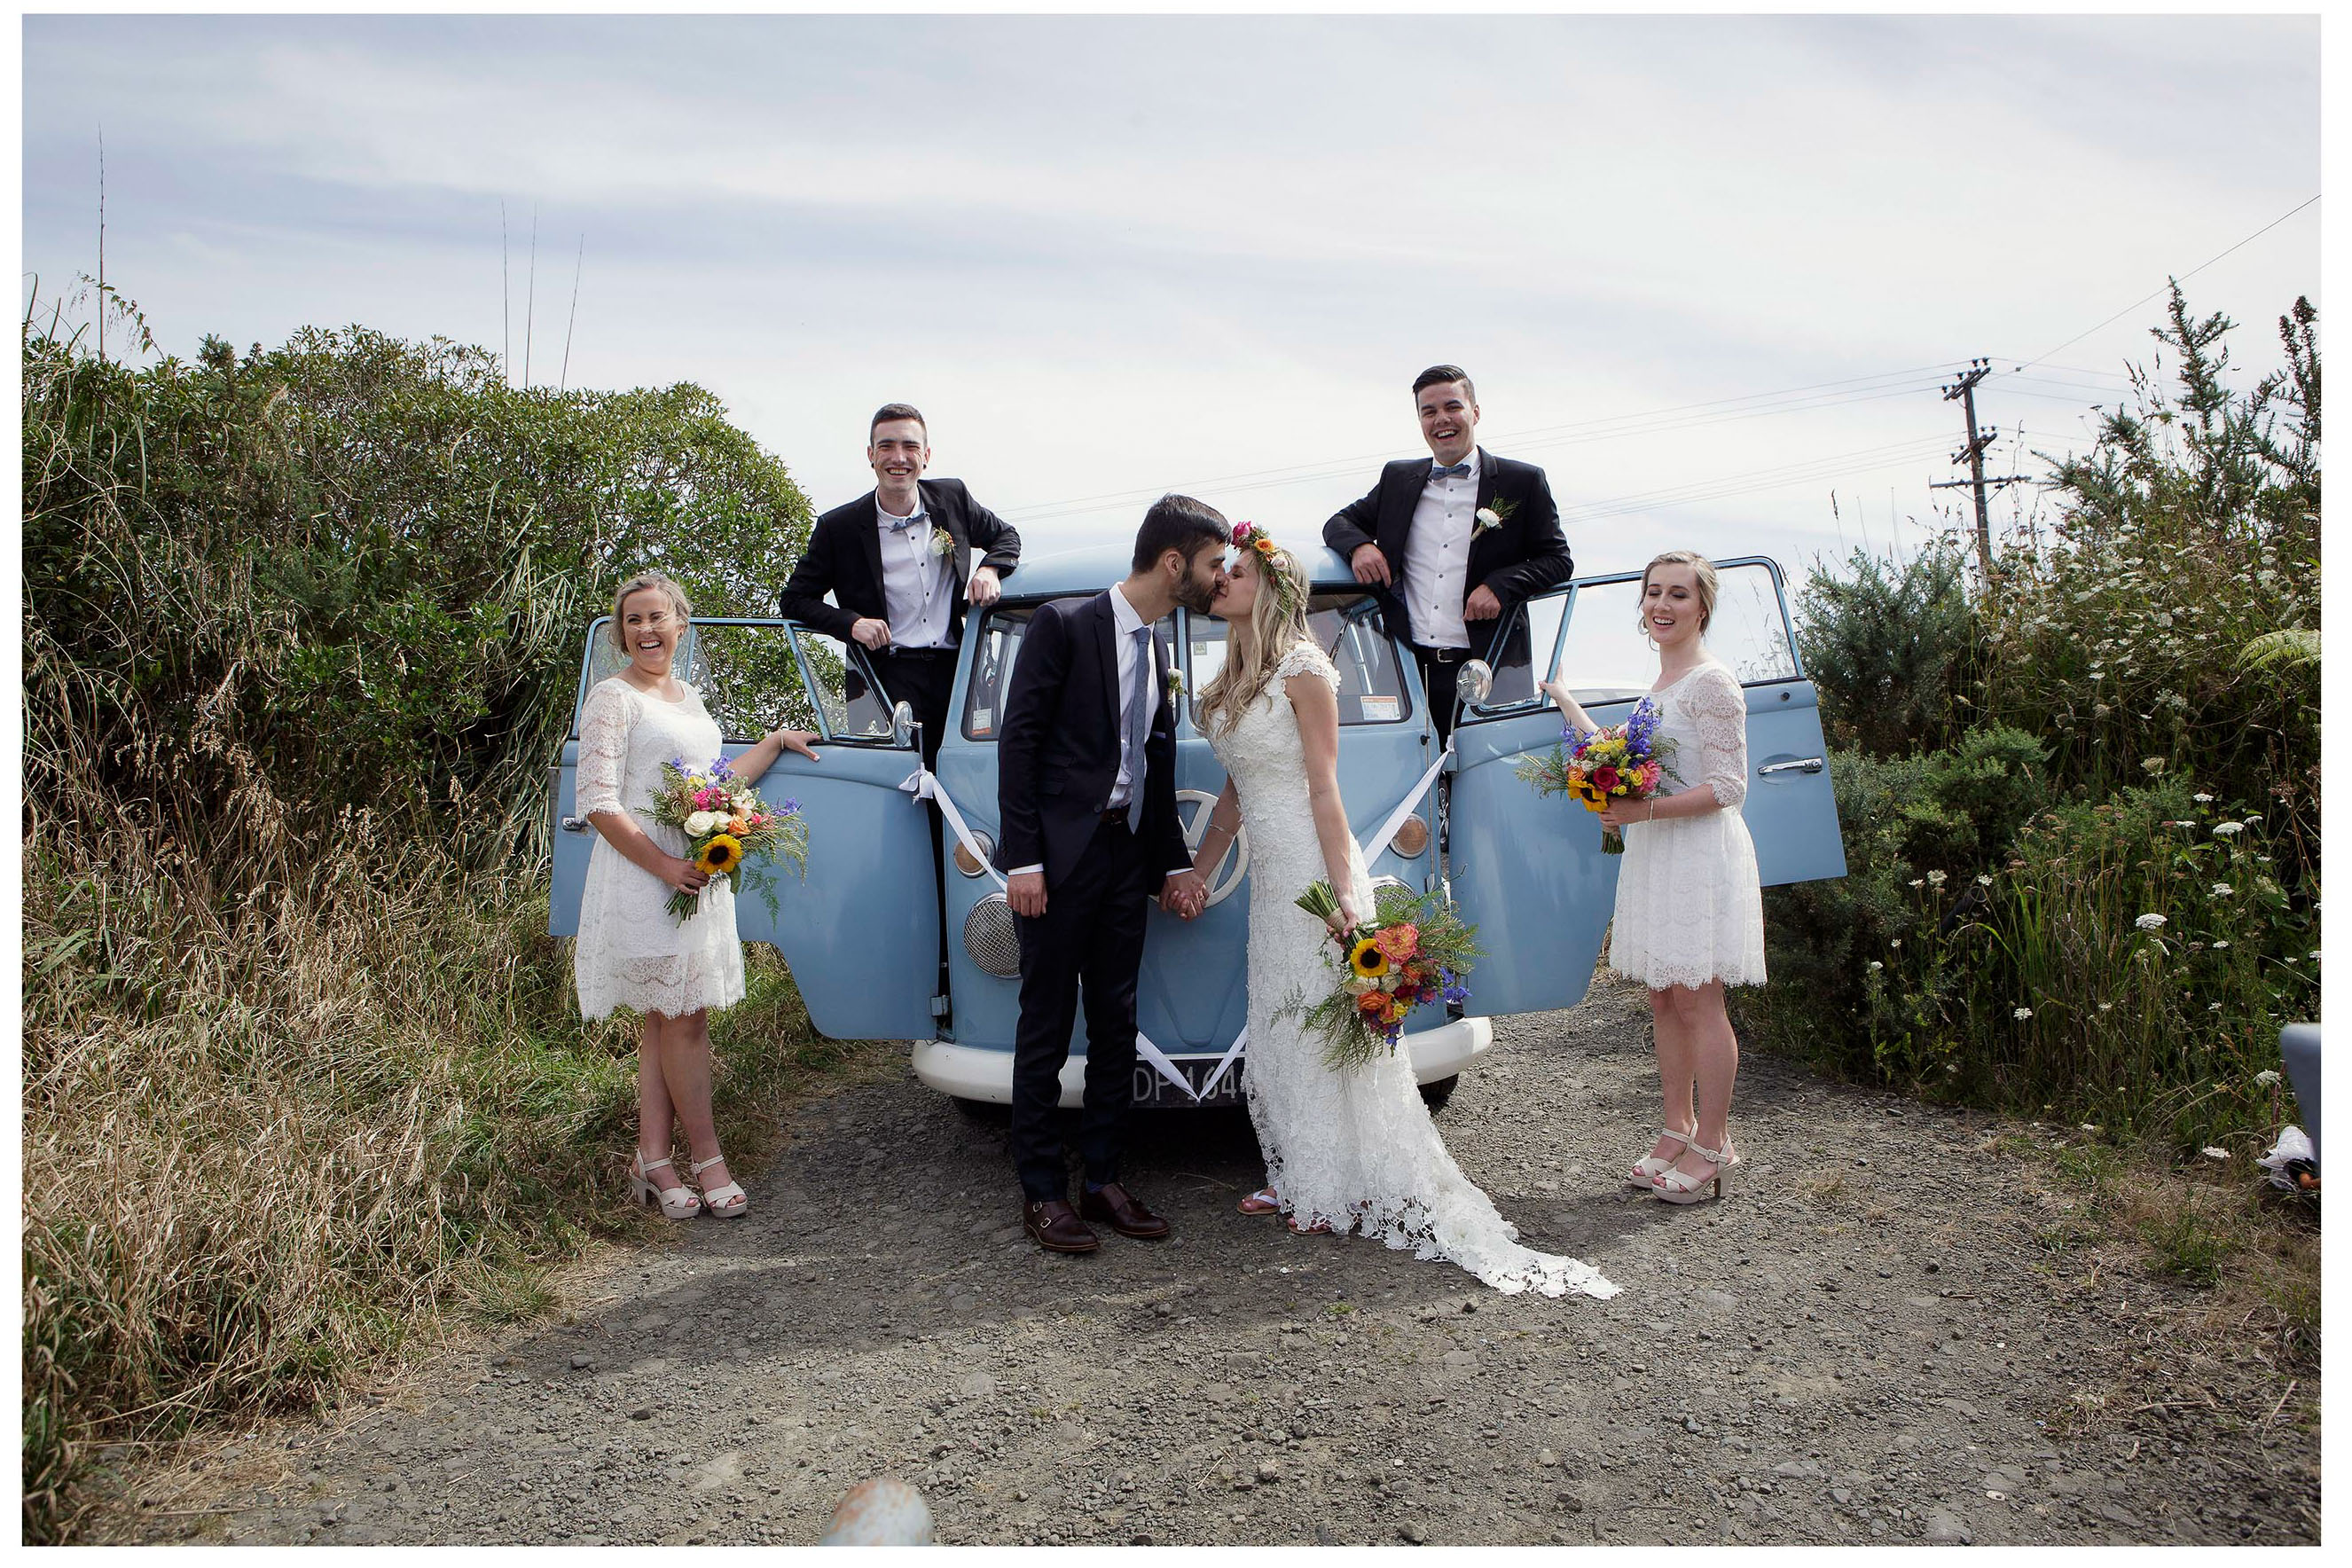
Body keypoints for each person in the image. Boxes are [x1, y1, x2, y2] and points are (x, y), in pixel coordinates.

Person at [1186, 529, 1616, 1298]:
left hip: (1312, 863)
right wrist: (1199, 868)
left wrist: (1348, 890)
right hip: (1269, 873)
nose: (1221, 580)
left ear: (1273, 589)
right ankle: (1303, 1176)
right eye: (1221, 570)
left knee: (1325, 1012)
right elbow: (1234, 790)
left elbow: (1324, 787)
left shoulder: (1305, 670)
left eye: (1237, 571)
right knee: (1285, 1015)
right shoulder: (1230, 680)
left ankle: (1336, 1187)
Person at [994, 496, 1217, 1255]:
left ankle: (1103, 1178)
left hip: (1124, 856)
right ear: (1173, 563)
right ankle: (1042, 1192)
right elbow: (1018, 747)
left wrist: (1170, 865)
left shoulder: (1156, 648)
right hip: (1054, 863)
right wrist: (1023, 859)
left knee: (1117, 1021)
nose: (1220, 579)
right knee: (1046, 1023)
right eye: (1214, 564)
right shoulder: (1062, 624)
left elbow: (1151, 765)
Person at [573, 570, 822, 1219]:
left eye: (658, 618)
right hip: (643, 872)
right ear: (621, 632)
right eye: (634, 620)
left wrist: (772, 743)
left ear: (682, 625)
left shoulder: (688, 698)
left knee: (665, 1018)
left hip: (691, 872)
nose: (646, 631)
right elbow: (597, 800)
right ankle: (709, 1161)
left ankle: (653, 1161)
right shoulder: (612, 697)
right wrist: (661, 863)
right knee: (685, 1019)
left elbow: (710, 782)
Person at [1541, 550, 1765, 1204]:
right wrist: (1568, 709)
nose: (1662, 605)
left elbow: (1728, 786)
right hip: (1658, 851)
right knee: (1665, 997)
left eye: (1678, 595)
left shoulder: (1712, 682)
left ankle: (1716, 1142)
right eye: (1653, 594)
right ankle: (1677, 1127)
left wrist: (1644, 809)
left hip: (1698, 851)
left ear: (1703, 608)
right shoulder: (1660, 688)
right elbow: (1620, 754)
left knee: (1700, 998)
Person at [777, 404, 1023, 987]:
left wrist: (992, 571)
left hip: (954, 673)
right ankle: (890, 957)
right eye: (886, 446)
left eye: (909, 446)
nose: (898, 457)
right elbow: (796, 599)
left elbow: (1006, 538)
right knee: (886, 814)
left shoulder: (954, 499)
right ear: (870, 456)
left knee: (960, 803)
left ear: (926, 456)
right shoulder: (838, 527)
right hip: (873, 681)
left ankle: (961, 953)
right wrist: (851, 622)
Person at [1322, 365, 1572, 741]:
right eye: (1429, 412)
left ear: (1475, 412)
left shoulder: (1522, 481)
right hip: (1407, 671)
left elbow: (1558, 560)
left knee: (1489, 781)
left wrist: (1500, 586)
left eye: (1452, 407)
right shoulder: (1397, 479)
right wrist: (1358, 547)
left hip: (1491, 667)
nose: (1441, 420)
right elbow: (1339, 522)